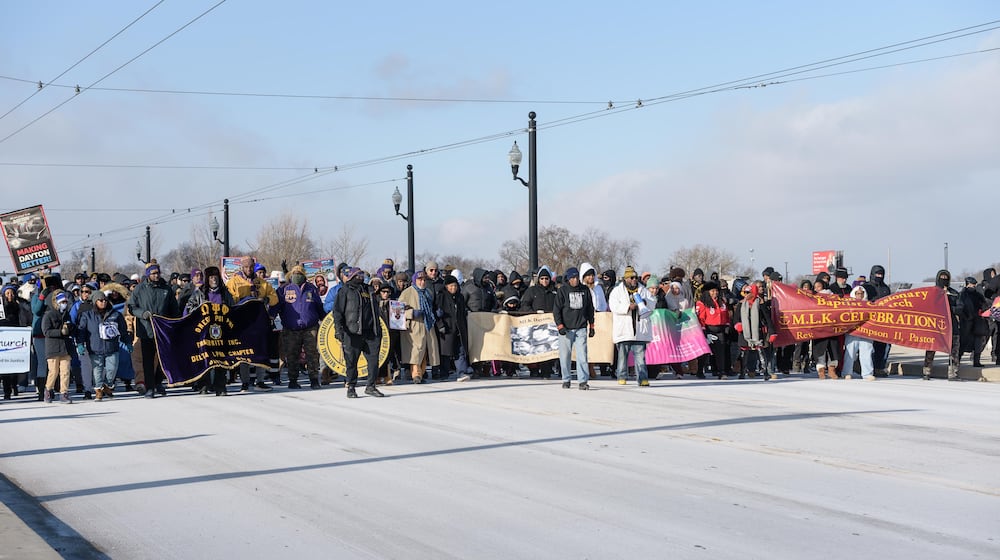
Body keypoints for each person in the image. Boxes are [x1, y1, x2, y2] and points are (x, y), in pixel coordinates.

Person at [127, 262, 181, 398]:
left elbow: (174, 309)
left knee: (162, 359)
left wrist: (175, 323)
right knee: (148, 360)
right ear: (148, 275)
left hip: (162, 330)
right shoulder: (140, 289)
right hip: (146, 330)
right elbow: (132, 307)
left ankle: (158, 382)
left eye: (158, 273)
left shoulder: (166, 289)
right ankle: (150, 387)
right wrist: (142, 313)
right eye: (153, 273)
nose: (156, 275)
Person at [333, 268, 385, 398]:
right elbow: (337, 312)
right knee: (351, 362)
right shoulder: (345, 290)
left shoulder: (369, 290)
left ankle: (371, 386)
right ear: (352, 276)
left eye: (362, 274)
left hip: (371, 332)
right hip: (352, 332)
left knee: (373, 361)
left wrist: (379, 329)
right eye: (358, 275)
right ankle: (351, 387)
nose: (361, 277)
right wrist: (339, 330)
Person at [77, 290, 130, 400]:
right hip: (95, 347)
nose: (103, 302)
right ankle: (98, 390)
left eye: (105, 300)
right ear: (95, 301)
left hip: (112, 347)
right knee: (97, 370)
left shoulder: (115, 314)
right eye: (100, 300)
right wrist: (80, 343)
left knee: (112, 369)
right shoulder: (87, 315)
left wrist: (128, 342)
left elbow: (123, 330)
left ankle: (107, 385)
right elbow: (81, 331)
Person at [608, 266, 654, 387]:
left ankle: (642, 378)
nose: (634, 280)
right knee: (623, 356)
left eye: (635, 277)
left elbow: (652, 302)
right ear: (626, 278)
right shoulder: (617, 291)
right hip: (624, 329)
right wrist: (628, 307)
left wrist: (645, 303)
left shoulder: (643, 290)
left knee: (640, 357)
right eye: (631, 278)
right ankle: (622, 376)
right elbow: (613, 306)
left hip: (639, 330)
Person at [553, 267, 595, 390]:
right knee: (565, 356)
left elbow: (590, 309)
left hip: (581, 327)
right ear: (568, 279)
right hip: (566, 329)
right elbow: (556, 310)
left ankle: (583, 381)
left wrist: (592, 325)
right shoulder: (563, 291)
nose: (575, 280)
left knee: (582, 355)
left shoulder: (585, 290)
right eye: (572, 278)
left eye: (576, 277)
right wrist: (560, 325)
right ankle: (566, 379)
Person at [399, 270, 440, 384]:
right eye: (420, 280)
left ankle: (421, 373)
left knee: (425, 351)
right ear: (414, 281)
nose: (422, 282)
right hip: (414, 327)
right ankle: (416, 374)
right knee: (416, 351)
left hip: (427, 324)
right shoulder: (407, 293)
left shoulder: (428, 292)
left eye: (424, 280)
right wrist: (411, 313)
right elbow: (397, 311)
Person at [923, 269, 961, 381]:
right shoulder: (931, 293)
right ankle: (926, 371)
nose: (943, 280)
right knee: (930, 349)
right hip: (935, 326)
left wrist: (949, 305)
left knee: (954, 350)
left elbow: (960, 308)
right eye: (942, 278)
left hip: (951, 326)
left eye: (946, 278)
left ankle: (953, 373)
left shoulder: (954, 293)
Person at [41, 290, 75, 403]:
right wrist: (60, 332)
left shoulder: (67, 314)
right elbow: (46, 331)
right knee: (53, 371)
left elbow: (71, 328)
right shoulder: (48, 315)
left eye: (65, 301)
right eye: (62, 302)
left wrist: (70, 328)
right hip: (53, 348)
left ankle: (64, 393)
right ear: (57, 303)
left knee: (65, 371)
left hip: (66, 348)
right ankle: (48, 390)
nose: (64, 303)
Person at [696, 281, 733, 379]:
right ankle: (700, 371)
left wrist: (727, 325)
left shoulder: (722, 302)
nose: (715, 293)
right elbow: (701, 317)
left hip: (720, 329)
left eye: (716, 291)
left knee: (720, 351)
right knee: (705, 352)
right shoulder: (702, 303)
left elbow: (726, 315)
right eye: (712, 291)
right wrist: (703, 330)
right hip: (708, 329)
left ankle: (721, 372)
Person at [435, 274, 469, 380]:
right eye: (451, 286)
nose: (453, 288)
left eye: (455, 286)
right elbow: (437, 313)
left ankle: (461, 372)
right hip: (446, 328)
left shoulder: (460, 297)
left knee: (460, 351)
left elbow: (463, 313)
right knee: (445, 352)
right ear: (446, 286)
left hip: (459, 328)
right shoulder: (442, 296)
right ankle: (444, 373)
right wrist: (440, 325)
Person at [862, 265, 893, 376]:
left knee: (884, 346)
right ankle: (868, 367)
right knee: (869, 347)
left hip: (882, 321)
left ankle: (879, 367)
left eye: (881, 274)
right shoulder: (866, 287)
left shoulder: (886, 288)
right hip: (868, 321)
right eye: (877, 274)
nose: (879, 276)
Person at [841, 286, 876, 381]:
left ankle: (867, 373)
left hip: (866, 332)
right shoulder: (849, 304)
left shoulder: (870, 305)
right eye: (857, 293)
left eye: (861, 294)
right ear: (854, 294)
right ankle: (847, 372)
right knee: (850, 353)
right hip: (852, 332)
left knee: (866, 352)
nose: (859, 295)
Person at [958, 277, 989, 369]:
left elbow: (984, 305)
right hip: (966, 321)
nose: (973, 286)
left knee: (978, 342)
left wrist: (982, 311)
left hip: (977, 321)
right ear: (967, 284)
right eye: (972, 284)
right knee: (963, 342)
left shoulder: (978, 295)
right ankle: (957, 360)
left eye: (974, 284)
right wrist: (965, 316)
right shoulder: (962, 295)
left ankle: (976, 361)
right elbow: (960, 307)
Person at [1, 284, 25, 399]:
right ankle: (6, 391)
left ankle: (14, 385)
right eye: (7, 293)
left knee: (15, 365)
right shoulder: (1, 307)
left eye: (12, 293)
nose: (10, 295)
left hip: (16, 338)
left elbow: (24, 318)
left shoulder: (19, 306)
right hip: (4, 338)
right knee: (5, 366)